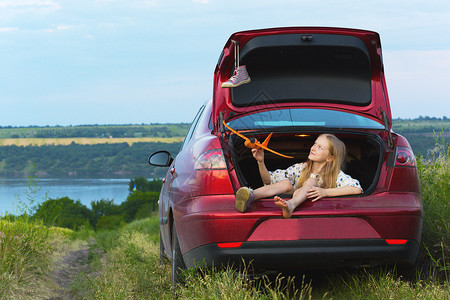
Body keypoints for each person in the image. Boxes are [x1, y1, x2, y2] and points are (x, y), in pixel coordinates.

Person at [235, 134, 362, 218]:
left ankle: (290, 206)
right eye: (314, 144)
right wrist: (260, 161)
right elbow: (269, 180)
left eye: (320, 147)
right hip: (295, 195)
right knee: (285, 183)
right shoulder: (301, 168)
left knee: (311, 181)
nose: (313, 148)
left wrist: (325, 192)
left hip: (303, 206)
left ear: (330, 158)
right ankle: (251, 195)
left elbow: (356, 189)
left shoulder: (336, 175)